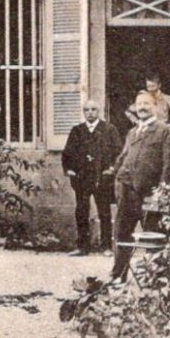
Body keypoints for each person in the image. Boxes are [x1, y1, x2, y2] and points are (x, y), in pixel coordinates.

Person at [110, 91, 170, 281]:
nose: (142, 107)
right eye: (139, 104)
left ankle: (155, 280)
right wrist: (118, 179)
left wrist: (161, 194)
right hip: (127, 192)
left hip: (150, 195)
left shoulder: (165, 131)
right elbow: (123, 157)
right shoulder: (132, 132)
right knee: (121, 235)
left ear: (156, 107)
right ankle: (118, 277)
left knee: (153, 238)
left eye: (147, 104)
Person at [60, 99, 121, 255]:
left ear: (98, 111)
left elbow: (119, 153)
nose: (90, 112)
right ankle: (82, 246)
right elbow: (67, 153)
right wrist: (69, 170)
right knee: (81, 211)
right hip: (82, 178)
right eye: (87, 110)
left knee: (104, 212)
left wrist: (112, 169)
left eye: (93, 109)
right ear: (83, 112)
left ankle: (106, 246)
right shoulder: (77, 131)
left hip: (102, 177)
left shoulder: (109, 129)